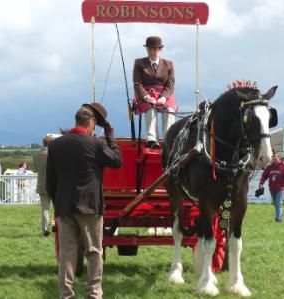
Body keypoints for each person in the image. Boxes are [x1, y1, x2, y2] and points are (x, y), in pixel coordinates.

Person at [46, 102, 122, 299]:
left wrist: (58, 205)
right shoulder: (96, 144)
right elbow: (116, 160)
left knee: (67, 255)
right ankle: (94, 294)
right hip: (90, 207)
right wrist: (110, 136)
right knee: (94, 252)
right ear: (90, 122)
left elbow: (50, 183)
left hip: (64, 207)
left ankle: (66, 295)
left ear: (76, 120)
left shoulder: (55, 146)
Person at [133, 36, 177, 149]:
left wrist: (164, 97)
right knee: (150, 108)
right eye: (149, 49)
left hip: (164, 94)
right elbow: (137, 84)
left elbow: (170, 84)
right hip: (147, 94)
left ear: (160, 49)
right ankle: (152, 140)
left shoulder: (169, 64)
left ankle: (168, 139)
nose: (152, 51)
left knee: (169, 110)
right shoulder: (139, 63)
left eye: (154, 49)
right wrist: (147, 97)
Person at [259, 151, 284, 222]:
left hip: (282, 188)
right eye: (273, 157)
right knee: (276, 204)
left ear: (279, 157)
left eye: (275, 157)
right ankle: (281, 216)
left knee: (278, 203)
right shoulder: (270, 166)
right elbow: (264, 175)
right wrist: (261, 183)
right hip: (272, 188)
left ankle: (278, 219)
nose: (274, 158)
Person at [33, 135, 55, 237]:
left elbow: (37, 169)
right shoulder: (55, 154)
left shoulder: (36, 155)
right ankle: (57, 227)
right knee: (57, 208)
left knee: (45, 209)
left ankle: (45, 229)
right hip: (55, 185)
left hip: (42, 184)